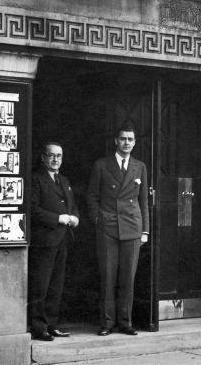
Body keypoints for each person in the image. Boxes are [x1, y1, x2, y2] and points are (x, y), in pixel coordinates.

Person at [87, 129, 149, 336]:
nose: (126, 143)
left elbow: (143, 202)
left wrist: (145, 230)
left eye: (130, 139)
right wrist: (98, 219)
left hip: (132, 227)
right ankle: (107, 323)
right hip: (109, 227)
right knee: (108, 277)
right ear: (116, 141)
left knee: (127, 279)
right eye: (123, 139)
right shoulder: (102, 165)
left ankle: (125, 322)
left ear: (135, 143)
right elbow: (92, 196)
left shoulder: (139, 167)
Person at [29, 142, 79, 341]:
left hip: (62, 240)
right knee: (41, 285)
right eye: (51, 155)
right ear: (43, 157)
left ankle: (51, 324)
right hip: (44, 240)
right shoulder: (36, 179)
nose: (55, 159)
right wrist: (57, 218)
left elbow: (72, 204)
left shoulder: (64, 180)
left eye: (59, 156)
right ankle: (38, 326)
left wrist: (75, 217)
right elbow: (32, 209)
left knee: (56, 285)